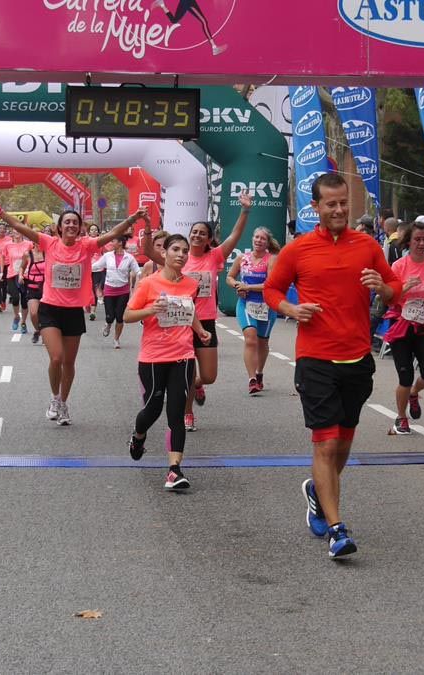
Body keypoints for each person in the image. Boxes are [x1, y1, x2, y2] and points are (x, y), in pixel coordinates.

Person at [263, 172, 401, 559]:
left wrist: (382, 287)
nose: (340, 209)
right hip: (315, 359)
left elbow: (395, 290)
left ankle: (317, 491)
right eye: (331, 204)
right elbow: (273, 289)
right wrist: (289, 307)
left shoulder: (368, 245)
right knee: (325, 443)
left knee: (343, 443)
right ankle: (337, 529)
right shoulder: (298, 249)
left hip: (357, 358)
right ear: (316, 207)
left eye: (344, 203)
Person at [0, 187, 142, 425]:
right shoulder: (49, 243)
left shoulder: (87, 246)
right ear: (59, 227)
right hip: (50, 309)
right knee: (56, 358)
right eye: (66, 222)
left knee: (69, 362)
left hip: (73, 312)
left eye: (74, 222)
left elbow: (113, 234)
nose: (70, 225)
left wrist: (132, 218)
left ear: (79, 228)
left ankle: (63, 402)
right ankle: (54, 398)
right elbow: (21, 228)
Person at [143, 192, 252, 432]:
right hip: (180, 321)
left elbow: (235, 236)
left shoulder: (214, 256)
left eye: (202, 233)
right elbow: (149, 252)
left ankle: (197, 385)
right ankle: (188, 412)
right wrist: (148, 230)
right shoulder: (178, 256)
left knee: (209, 375)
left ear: (209, 239)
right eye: (194, 232)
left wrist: (244, 211)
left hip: (206, 322)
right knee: (187, 370)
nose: (197, 235)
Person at [124, 233, 213, 490]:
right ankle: (138, 435)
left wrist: (200, 331)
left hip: (182, 355)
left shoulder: (190, 285)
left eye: (185, 251)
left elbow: (190, 311)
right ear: (164, 253)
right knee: (152, 408)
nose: (181, 255)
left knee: (177, 412)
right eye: (175, 249)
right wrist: (151, 310)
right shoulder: (149, 284)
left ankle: (174, 470)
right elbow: (128, 314)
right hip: (153, 357)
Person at [383, 221, 424, 435]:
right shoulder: (399, 266)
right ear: (408, 241)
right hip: (402, 325)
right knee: (405, 376)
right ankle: (401, 417)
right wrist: (404, 288)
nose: (421, 243)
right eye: (417, 239)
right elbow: (388, 299)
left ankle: (415, 392)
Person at [227, 226, 280, 394]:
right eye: (256, 237)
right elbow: (229, 276)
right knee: (251, 338)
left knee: (262, 341)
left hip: (266, 305)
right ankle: (251, 380)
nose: (258, 240)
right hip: (246, 304)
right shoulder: (242, 258)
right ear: (252, 239)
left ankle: (259, 373)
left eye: (262, 238)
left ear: (267, 242)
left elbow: (269, 285)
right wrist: (237, 285)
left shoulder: (271, 259)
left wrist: (247, 286)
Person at [98, 235, 140, 348]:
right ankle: (108, 324)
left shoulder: (129, 258)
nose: (111, 243)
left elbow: (138, 271)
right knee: (110, 316)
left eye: (113, 241)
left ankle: (116, 339)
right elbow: (97, 266)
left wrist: (147, 276)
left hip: (123, 291)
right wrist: (84, 267)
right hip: (109, 290)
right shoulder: (107, 256)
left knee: (120, 317)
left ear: (120, 242)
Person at [151, 0, 227, 55]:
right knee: (204, 21)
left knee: (174, 20)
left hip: (185, 2)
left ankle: (162, 4)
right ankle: (214, 47)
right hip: (188, 2)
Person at [4, 231, 33, 333]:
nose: (16, 234)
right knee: (15, 297)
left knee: (24, 301)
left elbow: (32, 257)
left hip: (25, 275)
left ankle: (23, 322)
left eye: (18, 232)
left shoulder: (28, 244)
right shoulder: (8, 245)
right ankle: (16, 316)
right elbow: (3, 257)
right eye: (14, 232)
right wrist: (0, 271)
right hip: (12, 274)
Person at [20, 235, 48, 344]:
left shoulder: (48, 253)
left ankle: (46, 334)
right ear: (34, 242)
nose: (40, 244)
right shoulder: (28, 254)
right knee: (33, 313)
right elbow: (22, 267)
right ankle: (38, 330)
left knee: (46, 314)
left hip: (46, 288)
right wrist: (20, 275)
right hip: (32, 287)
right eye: (37, 242)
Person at [87, 224, 105, 321]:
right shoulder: (85, 241)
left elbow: (105, 253)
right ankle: (87, 304)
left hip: (97, 268)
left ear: (98, 232)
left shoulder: (101, 242)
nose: (93, 231)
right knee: (87, 288)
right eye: (91, 230)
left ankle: (93, 311)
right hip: (86, 268)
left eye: (95, 230)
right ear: (89, 232)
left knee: (94, 288)